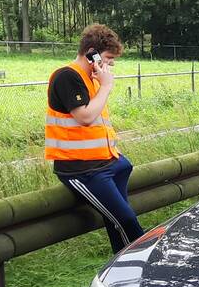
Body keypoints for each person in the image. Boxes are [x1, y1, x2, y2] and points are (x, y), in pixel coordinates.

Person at [45, 24, 143, 253]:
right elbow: (86, 117)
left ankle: (122, 270)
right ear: (92, 53)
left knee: (118, 221)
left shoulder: (92, 79)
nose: (110, 65)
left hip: (107, 162)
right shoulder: (67, 76)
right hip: (82, 170)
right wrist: (106, 86)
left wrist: (102, 83)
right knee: (126, 220)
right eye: (107, 59)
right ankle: (144, 265)